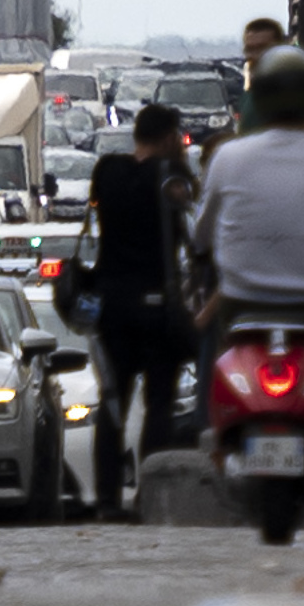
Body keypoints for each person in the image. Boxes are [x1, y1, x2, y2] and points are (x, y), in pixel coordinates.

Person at [189, 46, 304, 358]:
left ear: (259, 98)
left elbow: (202, 234)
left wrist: (202, 249)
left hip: (242, 301)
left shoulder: (228, 158)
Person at [81, 102, 193, 515]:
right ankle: (151, 494)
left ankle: (107, 500)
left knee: (113, 403)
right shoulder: (170, 177)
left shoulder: (107, 171)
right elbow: (189, 234)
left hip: (111, 307)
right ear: (167, 137)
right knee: (159, 403)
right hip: (156, 304)